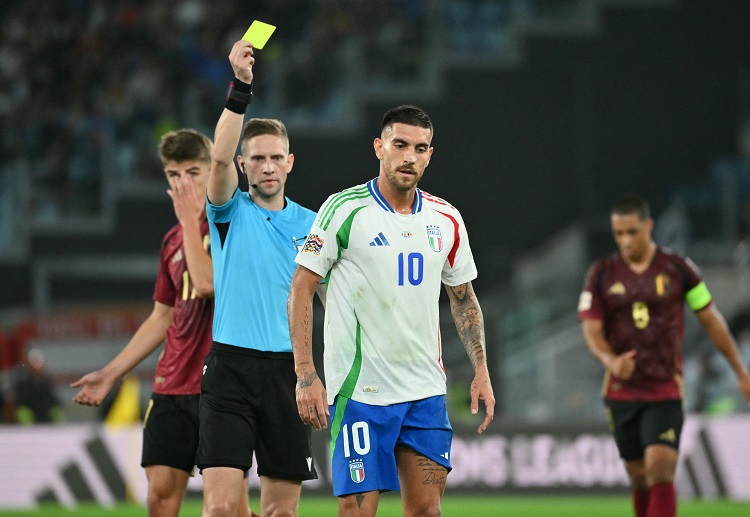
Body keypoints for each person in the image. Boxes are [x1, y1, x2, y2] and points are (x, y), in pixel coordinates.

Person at [288, 104, 496, 516]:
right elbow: (301, 288)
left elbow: (463, 298)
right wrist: (305, 373)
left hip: (425, 394)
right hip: (361, 393)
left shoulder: (447, 218)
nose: (409, 157)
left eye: (420, 148)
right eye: (400, 145)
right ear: (379, 147)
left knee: (426, 512)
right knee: (357, 511)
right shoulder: (344, 209)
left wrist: (481, 369)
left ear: (430, 155)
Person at [71, 129, 257, 517]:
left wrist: (192, 220)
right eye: (174, 175)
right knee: (158, 500)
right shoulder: (172, 240)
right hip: (171, 385)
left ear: (212, 171)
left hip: (220, 388)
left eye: (192, 172)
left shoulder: (235, 226)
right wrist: (111, 373)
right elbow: (162, 317)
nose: (182, 183)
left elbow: (206, 285)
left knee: (224, 509)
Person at [197, 40, 322, 517]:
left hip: (289, 373)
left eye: (276, 158)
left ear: (289, 163)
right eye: (257, 159)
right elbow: (219, 156)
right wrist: (241, 89)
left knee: (280, 513)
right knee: (223, 510)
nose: (267, 166)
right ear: (244, 165)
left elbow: (331, 297)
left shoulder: (315, 224)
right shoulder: (229, 212)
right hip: (230, 370)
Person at [578, 194, 750, 517]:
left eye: (632, 231)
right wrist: (611, 361)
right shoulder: (601, 274)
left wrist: (740, 371)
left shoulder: (679, 270)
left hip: (664, 389)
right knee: (640, 477)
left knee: (661, 468)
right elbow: (591, 331)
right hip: (620, 391)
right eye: (619, 233)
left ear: (649, 226)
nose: (625, 240)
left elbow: (711, 320)